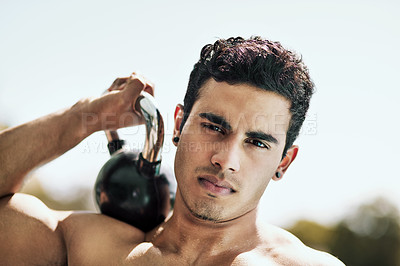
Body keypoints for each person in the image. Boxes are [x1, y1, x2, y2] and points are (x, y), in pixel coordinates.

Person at [0, 36, 344, 265]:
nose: (226, 160)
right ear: (178, 125)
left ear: (284, 161)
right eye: (213, 127)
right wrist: (83, 118)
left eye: (256, 142)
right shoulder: (93, 249)